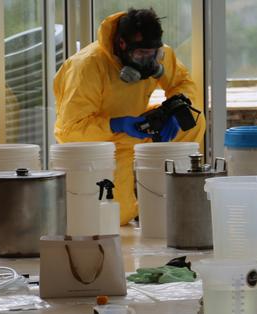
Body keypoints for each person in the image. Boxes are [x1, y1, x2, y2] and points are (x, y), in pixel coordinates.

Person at [54, 8, 205, 225]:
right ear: (122, 45)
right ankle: (136, 205)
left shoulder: (158, 55)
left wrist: (175, 108)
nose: (148, 62)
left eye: (152, 54)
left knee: (191, 121)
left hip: (136, 127)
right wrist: (116, 124)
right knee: (116, 216)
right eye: (141, 55)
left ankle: (172, 185)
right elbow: (69, 132)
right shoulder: (87, 67)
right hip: (100, 143)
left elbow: (183, 83)